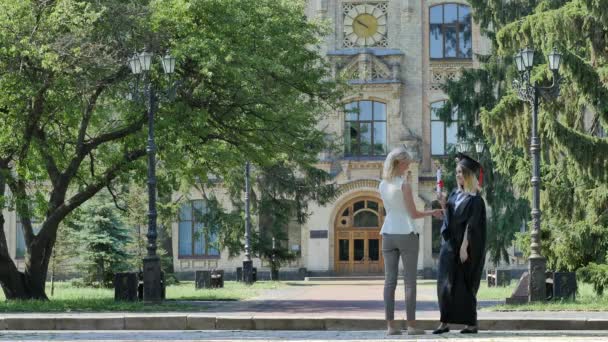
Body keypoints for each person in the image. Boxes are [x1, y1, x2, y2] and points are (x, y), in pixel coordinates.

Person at [379, 147, 444, 335]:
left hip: (388, 234)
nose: (409, 166)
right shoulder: (404, 185)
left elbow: (392, 210)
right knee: (409, 282)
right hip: (406, 233)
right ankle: (412, 325)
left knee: (389, 281)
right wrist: (432, 212)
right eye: (407, 163)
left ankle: (390, 326)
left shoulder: (382, 185)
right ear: (399, 163)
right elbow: (413, 214)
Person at [433, 152, 487, 334]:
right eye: (457, 172)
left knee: (465, 285)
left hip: (466, 247)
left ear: (470, 176)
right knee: (444, 282)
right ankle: (444, 322)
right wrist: (443, 204)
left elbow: (472, 226)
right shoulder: (455, 195)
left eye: (461, 173)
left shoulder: (476, 200)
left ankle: (471, 324)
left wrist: (465, 247)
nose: (458, 176)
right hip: (449, 245)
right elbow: (449, 219)